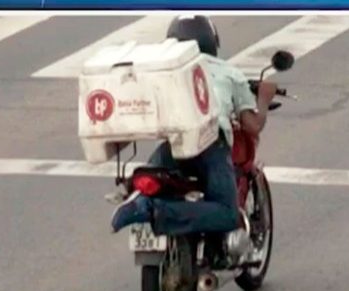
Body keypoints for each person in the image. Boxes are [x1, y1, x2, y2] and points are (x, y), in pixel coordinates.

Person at [111, 15, 277, 240]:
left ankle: (139, 205)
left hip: (173, 144)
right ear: (212, 42)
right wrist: (264, 98)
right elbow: (253, 126)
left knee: (146, 181)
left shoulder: (165, 73)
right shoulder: (228, 73)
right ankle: (155, 211)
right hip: (211, 144)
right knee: (228, 214)